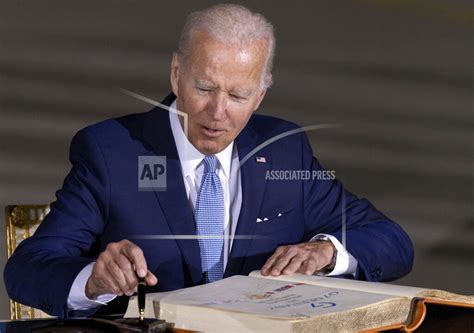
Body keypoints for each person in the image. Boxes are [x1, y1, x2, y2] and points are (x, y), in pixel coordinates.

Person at [4, 4, 413, 318]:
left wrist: (326, 251)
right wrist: (94, 279)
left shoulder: (286, 149)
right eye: (204, 88)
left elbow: (391, 241)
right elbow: (26, 269)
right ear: (176, 73)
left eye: (237, 96)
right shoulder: (111, 152)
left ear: (260, 97)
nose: (218, 113)